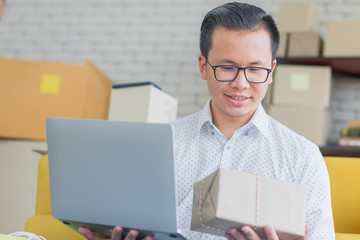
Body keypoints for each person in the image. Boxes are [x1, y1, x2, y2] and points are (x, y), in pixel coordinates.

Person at [79, 2, 335, 240]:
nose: (241, 84)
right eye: (227, 67)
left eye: (255, 69)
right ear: (203, 67)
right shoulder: (161, 145)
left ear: (271, 73)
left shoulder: (303, 156)